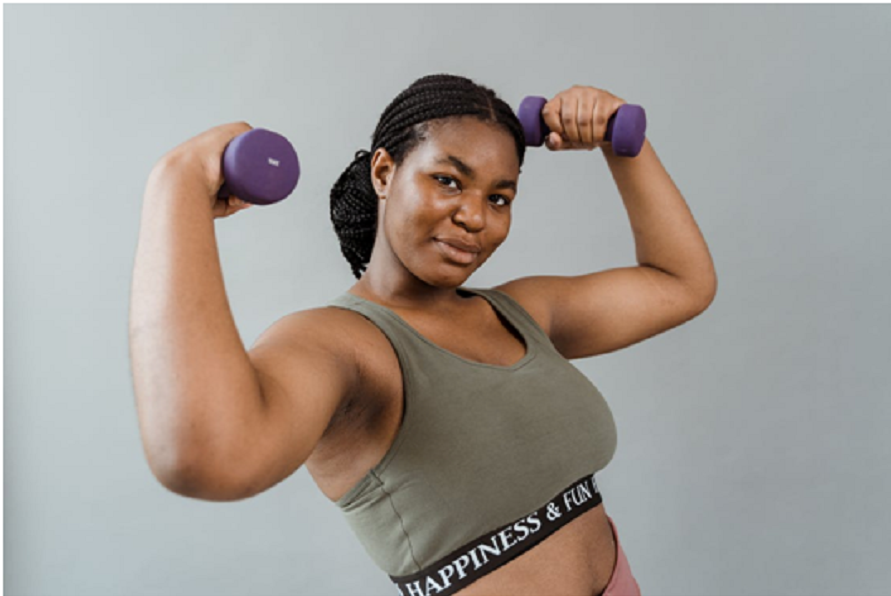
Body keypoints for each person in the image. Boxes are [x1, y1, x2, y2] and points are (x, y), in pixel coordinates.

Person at [130, 73, 717, 596]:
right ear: (385, 172)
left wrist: (623, 142)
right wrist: (176, 188)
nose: (475, 217)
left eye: (499, 197)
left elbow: (681, 282)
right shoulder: (342, 344)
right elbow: (202, 456)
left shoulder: (523, 312)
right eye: (447, 180)